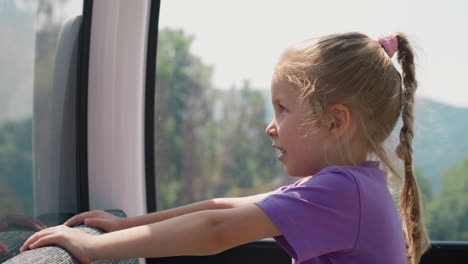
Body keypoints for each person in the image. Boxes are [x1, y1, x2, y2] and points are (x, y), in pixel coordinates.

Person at [20, 32, 430, 264]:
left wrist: (92, 248)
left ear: (335, 122)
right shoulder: (351, 187)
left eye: (283, 109)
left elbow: (216, 232)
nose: (271, 127)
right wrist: (125, 225)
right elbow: (221, 208)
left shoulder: (342, 191)